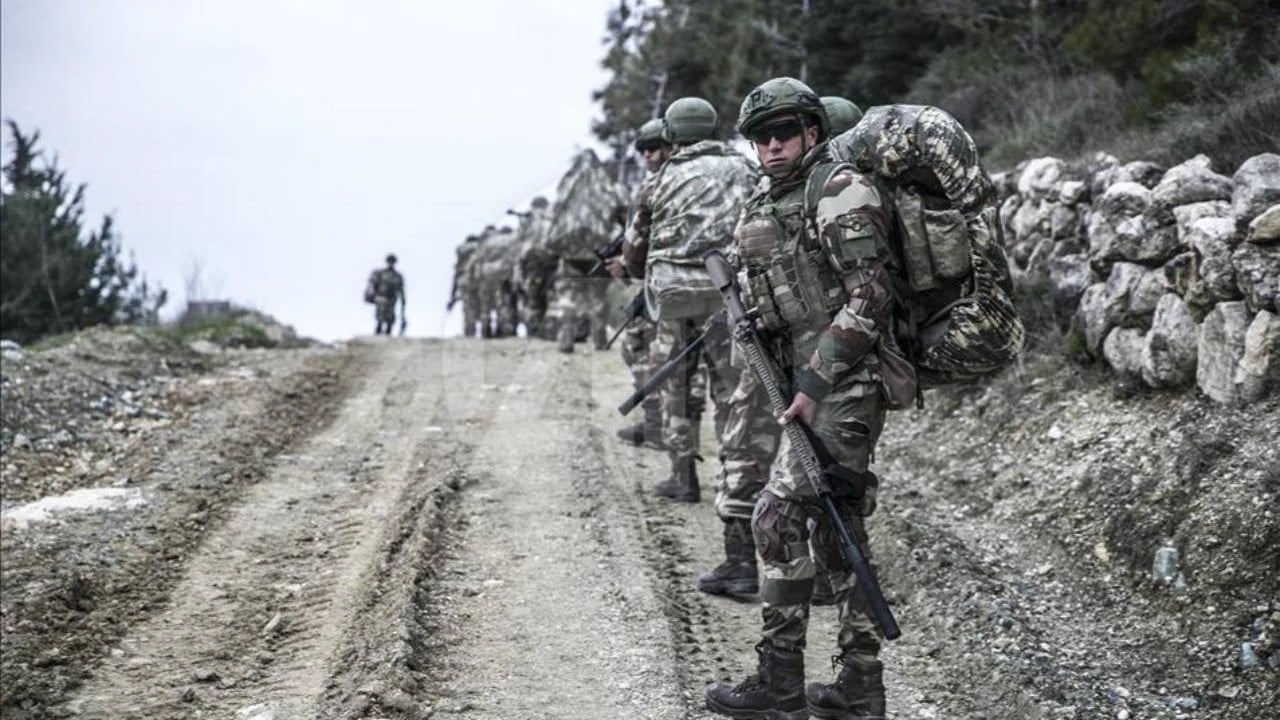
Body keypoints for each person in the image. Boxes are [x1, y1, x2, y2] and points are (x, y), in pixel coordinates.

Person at [703, 77, 917, 720]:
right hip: (807, 383)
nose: (770, 146)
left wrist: (813, 382)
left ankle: (780, 681)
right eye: (760, 137)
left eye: (783, 133)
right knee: (835, 529)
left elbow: (871, 295)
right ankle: (859, 687)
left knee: (774, 516)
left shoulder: (838, 190)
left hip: (845, 384)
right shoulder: (775, 197)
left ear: (813, 133)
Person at [641, 97, 757, 502]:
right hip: (729, 296)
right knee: (729, 390)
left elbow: (636, 244)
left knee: (676, 384)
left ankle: (682, 476)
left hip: (676, 298)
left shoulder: (661, 179)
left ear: (671, 135)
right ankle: (736, 480)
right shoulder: (746, 168)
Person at [610, 118, 672, 448]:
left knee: (641, 347)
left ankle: (657, 426)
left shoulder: (656, 187)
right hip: (697, 285)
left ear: (670, 146)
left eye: (654, 148)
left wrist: (625, 267)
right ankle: (658, 425)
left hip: (664, 288)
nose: (648, 155)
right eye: (643, 150)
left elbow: (635, 252)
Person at [449, 234, 484, 337]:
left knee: (468, 307)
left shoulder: (461, 252)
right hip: (479, 279)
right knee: (482, 305)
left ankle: (470, 333)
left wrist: (453, 296)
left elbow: (456, 275)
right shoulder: (481, 248)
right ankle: (485, 331)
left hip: (464, 281)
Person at [367, 254, 405, 335]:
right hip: (381, 297)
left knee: (390, 318)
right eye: (389, 261)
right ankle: (378, 333)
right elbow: (372, 283)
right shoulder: (381, 273)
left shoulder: (397, 276)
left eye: (392, 262)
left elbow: (401, 289)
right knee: (380, 317)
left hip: (392, 299)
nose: (390, 263)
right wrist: (372, 293)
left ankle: (388, 334)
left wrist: (403, 300)